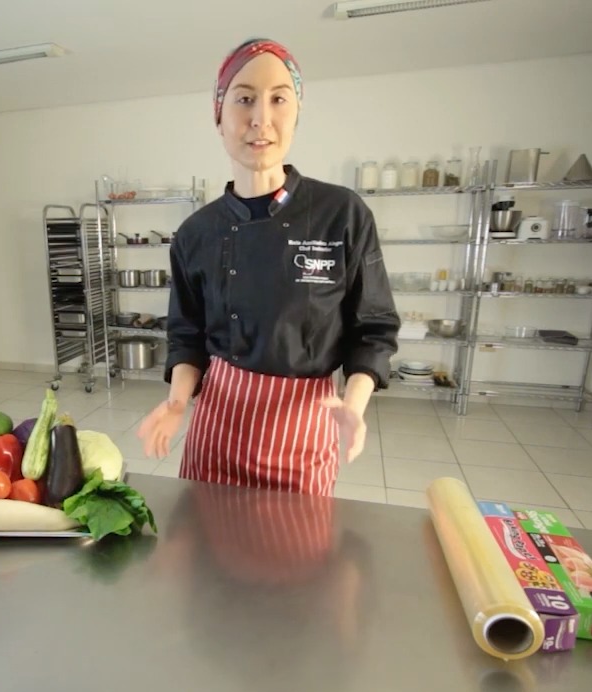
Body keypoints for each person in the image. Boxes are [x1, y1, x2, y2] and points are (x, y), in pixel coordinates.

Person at [137, 38, 399, 496]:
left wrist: (353, 406)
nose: (260, 118)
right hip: (218, 424)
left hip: (305, 425)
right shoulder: (196, 232)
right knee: (208, 555)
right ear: (218, 116)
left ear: (297, 113)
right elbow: (186, 335)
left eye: (279, 98)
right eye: (243, 98)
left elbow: (373, 328)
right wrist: (179, 401)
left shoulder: (342, 212)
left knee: (294, 556)